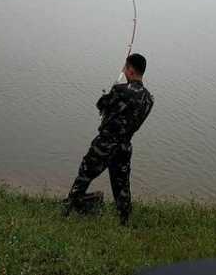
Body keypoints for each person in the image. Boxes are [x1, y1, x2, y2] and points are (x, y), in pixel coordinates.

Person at [64, 53, 154, 225]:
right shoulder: (149, 99)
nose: (124, 70)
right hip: (125, 146)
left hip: (105, 143)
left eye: (125, 68)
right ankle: (124, 221)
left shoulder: (120, 90)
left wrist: (113, 91)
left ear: (130, 69)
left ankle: (67, 209)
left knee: (85, 173)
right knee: (121, 185)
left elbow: (101, 105)